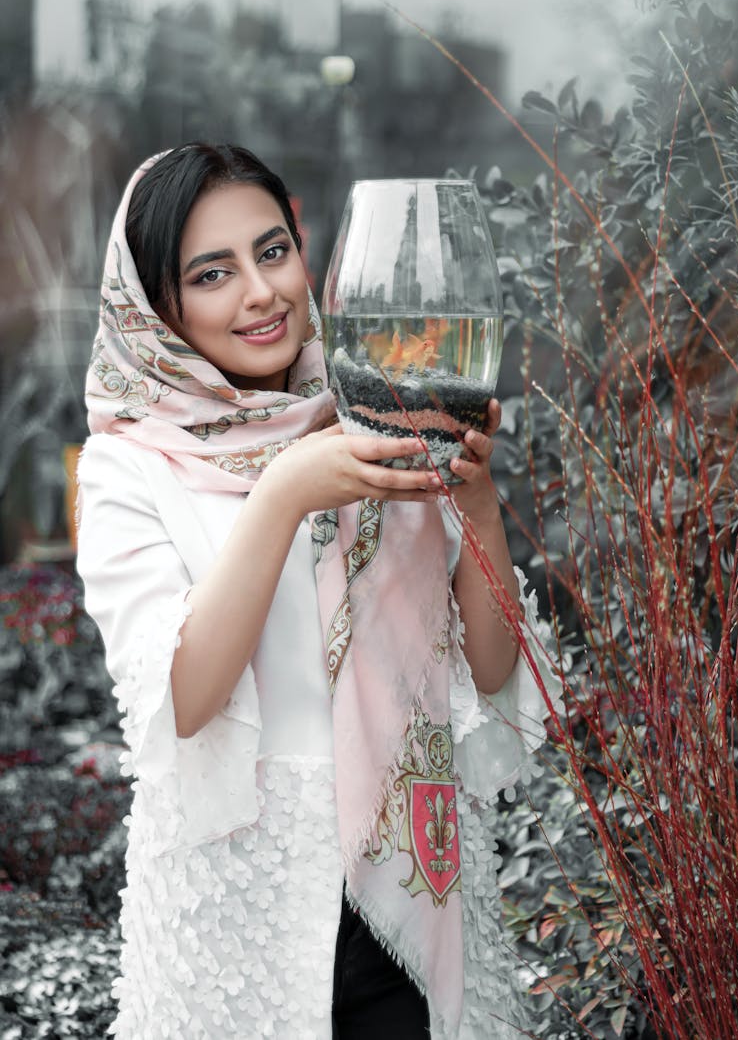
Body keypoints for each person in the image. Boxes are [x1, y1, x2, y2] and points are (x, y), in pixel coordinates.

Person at [77, 143, 562, 1040]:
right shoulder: (128, 465)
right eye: (211, 272)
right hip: (242, 934)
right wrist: (288, 489)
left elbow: (490, 665)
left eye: (272, 251)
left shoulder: (376, 415)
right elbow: (186, 698)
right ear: (157, 304)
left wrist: (480, 502)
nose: (260, 293)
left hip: (415, 896)